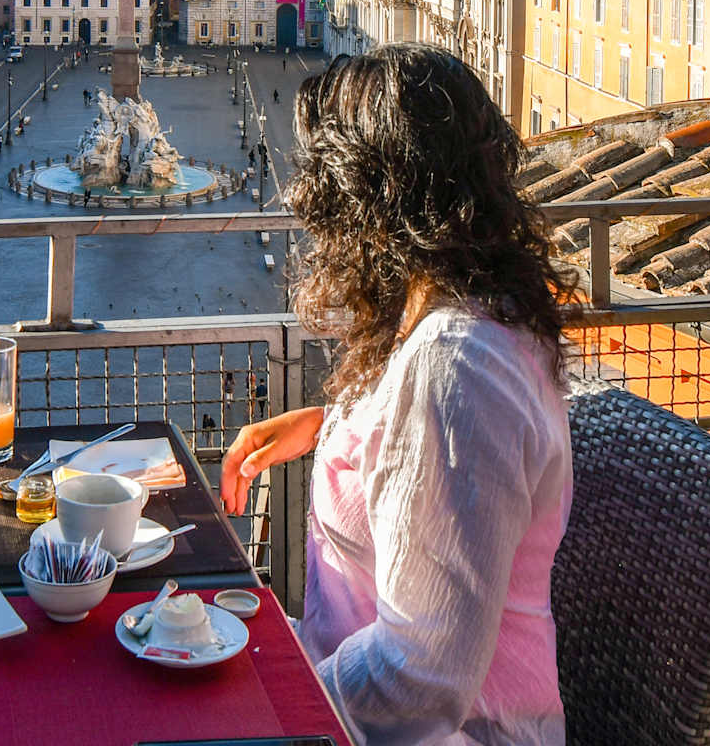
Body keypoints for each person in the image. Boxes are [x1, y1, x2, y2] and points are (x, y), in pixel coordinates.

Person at [221, 45, 573, 746]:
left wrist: (273, 702)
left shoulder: (457, 367)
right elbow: (446, 467)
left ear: (369, 201)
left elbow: (420, 679)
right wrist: (337, 427)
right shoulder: (471, 317)